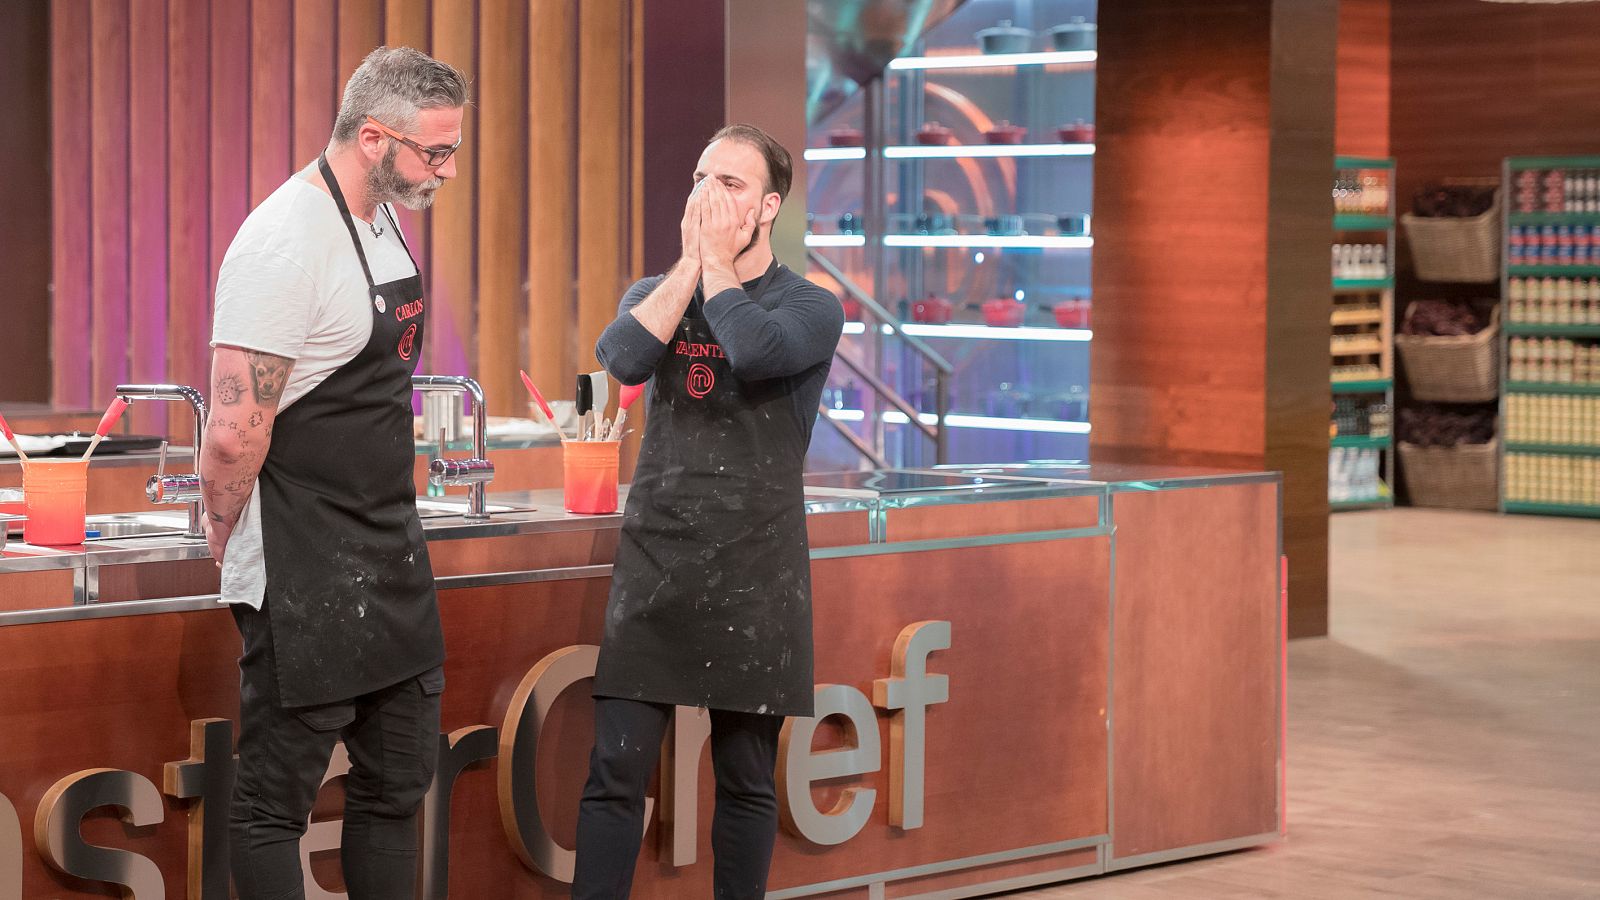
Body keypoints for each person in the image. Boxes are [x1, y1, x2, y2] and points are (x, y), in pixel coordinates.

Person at [198, 46, 467, 900]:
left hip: (387, 547)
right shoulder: (283, 243)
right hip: (306, 559)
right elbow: (234, 436)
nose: (447, 171)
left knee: (396, 786)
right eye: (435, 152)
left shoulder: (383, 216)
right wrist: (222, 532)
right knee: (274, 803)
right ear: (374, 138)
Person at [575, 123, 845, 898]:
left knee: (747, 778)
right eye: (700, 177)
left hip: (757, 572)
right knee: (615, 770)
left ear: (767, 207)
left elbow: (756, 350)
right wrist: (694, 266)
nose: (706, 194)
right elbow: (621, 358)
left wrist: (717, 266)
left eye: (729, 184)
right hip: (657, 566)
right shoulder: (656, 293)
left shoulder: (810, 306)